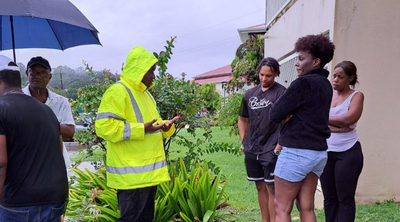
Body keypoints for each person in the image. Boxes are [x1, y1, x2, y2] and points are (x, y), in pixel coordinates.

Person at [95, 46, 179, 222]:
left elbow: (151, 125)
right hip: (131, 177)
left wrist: (165, 126)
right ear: (138, 70)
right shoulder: (118, 91)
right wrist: (142, 129)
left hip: (146, 176)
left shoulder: (145, 95)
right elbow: (104, 127)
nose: (153, 76)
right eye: (151, 71)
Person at [269, 34, 335, 222]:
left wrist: (284, 118)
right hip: (318, 154)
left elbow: (274, 114)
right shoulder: (326, 85)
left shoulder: (303, 83)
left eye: (301, 58)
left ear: (316, 62)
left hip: (296, 152)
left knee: (281, 208)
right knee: (306, 207)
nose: (296, 63)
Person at [0, 55, 68, 221]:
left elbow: (0, 162)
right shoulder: (47, 111)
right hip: (54, 198)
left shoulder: (2, 108)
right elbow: (58, 150)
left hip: (19, 203)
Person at [238, 57, 286, 222]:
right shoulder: (250, 94)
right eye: (262, 75)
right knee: (260, 187)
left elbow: (287, 121)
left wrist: (278, 146)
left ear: (276, 75)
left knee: (271, 188)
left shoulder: (282, 93)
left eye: (269, 76)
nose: (264, 79)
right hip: (252, 149)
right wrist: (243, 140)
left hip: (271, 149)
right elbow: (242, 118)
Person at [320, 61, 364, 222]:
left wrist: (325, 122)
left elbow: (348, 119)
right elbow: (315, 117)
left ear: (350, 78)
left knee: (345, 198)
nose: (335, 80)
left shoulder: (356, 96)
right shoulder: (327, 94)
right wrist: (336, 125)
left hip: (348, 152)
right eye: (334, 76)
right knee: (329, 198)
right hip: (325, 152)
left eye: (340, 77)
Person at [22, 56, 74, 168]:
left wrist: (40, 125)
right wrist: (56, 128)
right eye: (33, 72)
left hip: (55, 163)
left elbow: (70, 132)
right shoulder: (16, 100)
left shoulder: (61, 102)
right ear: (27, 73)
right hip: (24, 163)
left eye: (43, 73)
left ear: (49, 77)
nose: (38, 76)